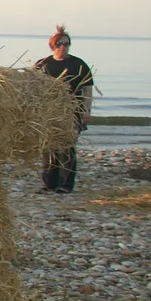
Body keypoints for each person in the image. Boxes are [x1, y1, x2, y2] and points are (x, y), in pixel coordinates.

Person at [34, 25, 94, 193]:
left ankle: (65, 185)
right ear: (52, 45)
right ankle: (49, 183)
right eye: (60, 43)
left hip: (72, 111)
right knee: (49, 147)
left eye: (66, 44)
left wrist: (86, 111)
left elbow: (88, 89)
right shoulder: (42, 65)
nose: (63, 47)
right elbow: (32, 89)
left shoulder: (78, 64)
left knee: (67, 148)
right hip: (49, 113)